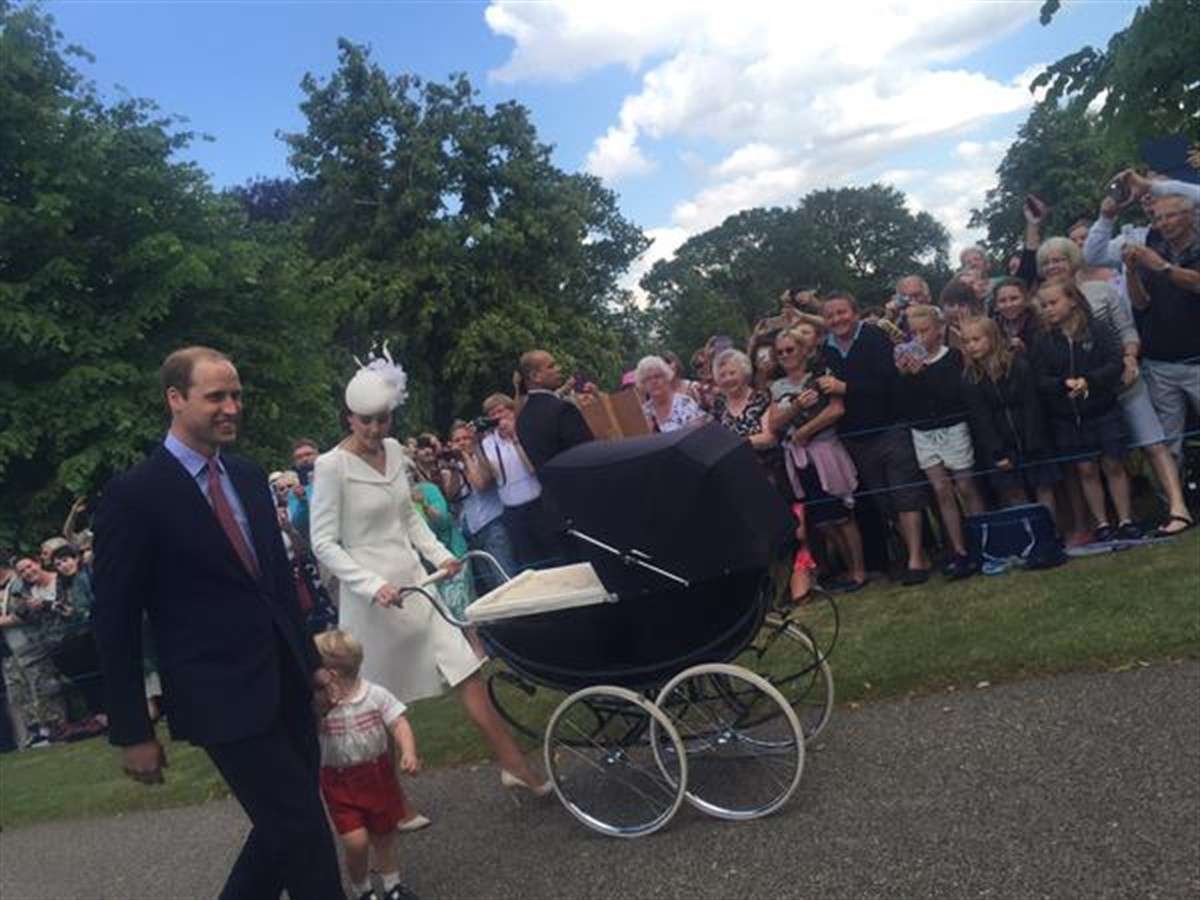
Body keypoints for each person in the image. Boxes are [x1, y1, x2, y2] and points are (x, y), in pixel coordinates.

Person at [91, 346, 343, 900]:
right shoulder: (134, 497)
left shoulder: (250, 477)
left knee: (284, 825)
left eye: (236, 395)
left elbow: (276, 586)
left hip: (283, 681)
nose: (231, 407)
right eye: (216, 397)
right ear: (176, 399)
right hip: (219, 698)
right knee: (301, 831)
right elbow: (114, 622)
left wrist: (312, 666)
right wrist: (133, 730)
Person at [309, 358, 549, 802]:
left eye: (383, 419)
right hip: (371, 601)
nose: (376, 428)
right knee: (376, 701)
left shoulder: (396, 451)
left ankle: (517, 766)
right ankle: (389, 803)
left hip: (417, 585)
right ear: (349, 418)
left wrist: (441, 555)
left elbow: (409, 518)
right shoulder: (330, 467)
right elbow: (323, 543)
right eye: (366, 421)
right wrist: (368, 585)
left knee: (467, 671)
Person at [1041, 235, 1193, 538]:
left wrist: (1129, 359)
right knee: (1099, 461)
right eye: (1046, 262)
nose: (1053, 265)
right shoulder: (1045, 303)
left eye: (1059, 258)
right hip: (1085, 396)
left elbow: (1127, 331)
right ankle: (1113, 519)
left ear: (1073, 259)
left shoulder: (1102, 291)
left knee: (1153, 444)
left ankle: (1178, 507)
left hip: (1122, 380)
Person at [819, 293, 933, 585]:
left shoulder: (874, 337)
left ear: (854, 312)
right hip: (855, 436)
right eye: (830, 315)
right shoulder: (826, 350)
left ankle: (916, 560)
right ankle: (913, 552)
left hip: (889, 426)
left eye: (842, 312)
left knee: (904, 491)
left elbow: (888, 381)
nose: (837, 319)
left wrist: (846, 387)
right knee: (883, 500)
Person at [315, 630, 421, 900]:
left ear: (330, 672)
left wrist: (408, 750)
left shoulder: (374, 694)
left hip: (377, 775)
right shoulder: (320, 704)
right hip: (339, 781)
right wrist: (321, 709)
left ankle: (392, 885)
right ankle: (361, 887)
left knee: (384, 836)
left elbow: (398, 721)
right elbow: (309, 731)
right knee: (356, 841)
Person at [1031, 282, 1139, 543]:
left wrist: (1089, 380)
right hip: (1068, 417)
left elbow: (1114, 362)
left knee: (1113, 464)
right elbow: (1040, 377)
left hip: (1102, 408)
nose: (1048, 309)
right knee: (1085, 469)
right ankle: (1101, 523)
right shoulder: (1042, 340)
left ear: (1072, 300)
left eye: (1053, 303)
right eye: (1043, 305)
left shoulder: (1098, 329)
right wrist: (1062, 384)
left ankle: (1126, 520)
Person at [767, 327, 866, 597]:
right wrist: (797, 407)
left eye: (790, 349)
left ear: (803, 350)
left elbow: (837, 409)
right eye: (781, 352)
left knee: (843, 514)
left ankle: (859, 571)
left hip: (825, 451)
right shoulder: (777, 387)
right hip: (800, 460)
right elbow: (775, 423)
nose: (786, 355)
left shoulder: (822, 376)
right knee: (823, 520)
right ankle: (846, 569)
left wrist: (804, 431)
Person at [1123, 192, 1200, 534]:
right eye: (1158, 218)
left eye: (1170, 216)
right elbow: (1141, 304)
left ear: (1190, 215)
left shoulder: (1182, 252)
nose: (1163, 224)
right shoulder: (1155, 248)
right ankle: (1178, 507)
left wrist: (1162, 267)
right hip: (1161, 364)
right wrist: (1132, 273)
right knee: (1169, 444)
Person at [896, 305, 985, 579]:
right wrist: (908, 377)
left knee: (966, 485)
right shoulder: (904, 362)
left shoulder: (954, 357)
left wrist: (923, 373)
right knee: (941, 490)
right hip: (923, 432)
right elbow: (908, 403)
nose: (920, 337)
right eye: (914, 333)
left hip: (953, 427)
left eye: (925, 331)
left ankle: (983, 542)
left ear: (939, 330)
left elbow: (952, 395)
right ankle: (958, 550)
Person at [960, 317, 1061, 514]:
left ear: (992, 338)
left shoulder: (1018, 365)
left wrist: (1034, 442)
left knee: (1043, 486)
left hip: (1032, 438)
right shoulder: (969, 378)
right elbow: (981, 419)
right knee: (1013, 490)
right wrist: (998, 452)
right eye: (966, 342)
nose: (971, 346)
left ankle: (1051, 531)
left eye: (976, 339)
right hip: (1001, 445)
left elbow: (1032, 405)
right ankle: (1030, 534)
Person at [480, 393, 563, 570]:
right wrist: (476, 446)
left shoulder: (526, 430)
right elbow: (491, 477)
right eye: (492, 414)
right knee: (530, 561)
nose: (497, 417)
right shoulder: (488, 442)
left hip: (537, 503)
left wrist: (515, 439)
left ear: (511, 411)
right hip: (512, 510)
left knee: (554, 554)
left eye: (500, 411)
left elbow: (533, 468)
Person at [0, 557, 69, 747]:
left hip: (31, 643)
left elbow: (27, 613)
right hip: (9, 649)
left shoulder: (19, 584)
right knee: (21, 691)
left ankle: (58, 728)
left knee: (42, 685)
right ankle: (37, 732)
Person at [446, 422, 518, 594]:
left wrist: (466, 457)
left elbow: (480, 484)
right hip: (472, 531)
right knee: (490, 584)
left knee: (505, 578)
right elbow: (451, 495)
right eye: (457, 440)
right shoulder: (457, 466)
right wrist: (455, 467)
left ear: (474, 440)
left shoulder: (484, 459)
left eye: (465, 438)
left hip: (493, 525)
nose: (462, 442)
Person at [47, 543, 107, 736]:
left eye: (65, 560)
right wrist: (66, 611)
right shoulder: (68, 584)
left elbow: (96, 603)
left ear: (75, 559)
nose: (63, 566)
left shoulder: (86, 576)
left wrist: (78, 613)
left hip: (98, 631)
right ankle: (100, 714)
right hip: (82, 633)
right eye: (58, 564)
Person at [514, 350, 593, 471]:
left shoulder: (522, 419)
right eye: (551, 366)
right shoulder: (562, 409)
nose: (559, 369)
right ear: (535, 376)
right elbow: (589, 454)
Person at [637, 355, 706, 433]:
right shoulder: (644, 413)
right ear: (642, 384)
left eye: (657, 376)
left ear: (666, 377)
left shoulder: (685, 403)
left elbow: (697, 435)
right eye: (648, 379)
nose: (653, 382)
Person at [991, 277, 1041, 355]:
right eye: (1002, 301)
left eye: (1014, 298)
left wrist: (1025, 349)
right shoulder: (994, 326)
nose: (1008, 305)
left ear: (1025, 299)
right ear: (996, 305)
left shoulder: (1039, 324)